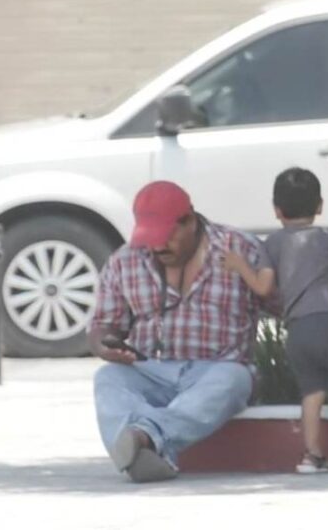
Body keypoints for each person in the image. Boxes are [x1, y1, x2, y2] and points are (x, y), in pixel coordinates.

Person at [89, 180, 270, 483]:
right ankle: (142, 452)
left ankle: (143, 439)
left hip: (217, 368)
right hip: (150, 369)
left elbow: (280, 301)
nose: (158, 246)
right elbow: (102, 324)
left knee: (234, 379)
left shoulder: (240, 248)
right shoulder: (124, 261)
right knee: (107, 378)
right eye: (151, 237)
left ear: (190, 220)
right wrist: (104, 343)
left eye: (167, 236)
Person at [223, 167, 328, 473]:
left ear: (277, 210)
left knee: (312, 391)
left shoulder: (271, 245)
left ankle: (312, 455)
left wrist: (239, 266)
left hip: (297, 330)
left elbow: (263, 288)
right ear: (320, 205)